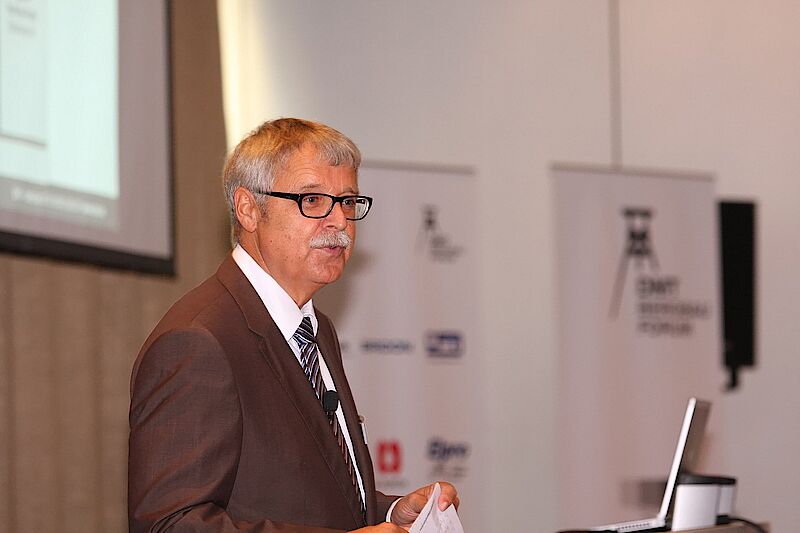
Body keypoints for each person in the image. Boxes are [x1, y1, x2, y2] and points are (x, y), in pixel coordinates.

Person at [128, 118, 459, 532]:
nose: (339, 221)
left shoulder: (315, 328)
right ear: (248, 209)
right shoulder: (199, 341)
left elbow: (303, 492)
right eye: (313, 200)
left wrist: (390, 512)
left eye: (347, 202)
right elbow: (170, 524)